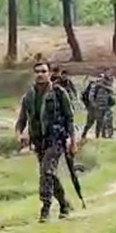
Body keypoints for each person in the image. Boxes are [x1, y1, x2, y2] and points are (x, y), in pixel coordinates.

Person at [15, 61, 76, 222]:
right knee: (50, 174)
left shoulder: (59, 93)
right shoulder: (29, 95)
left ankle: (46, 207)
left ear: (49, 73)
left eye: (43, 71)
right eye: (37, 72)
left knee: (47, 171)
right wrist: (19, 135)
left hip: (56, 140)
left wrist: (73, 141)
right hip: (39, 141)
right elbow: (22, 119)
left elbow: (70, 118)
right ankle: (64, 204)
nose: (40, 74)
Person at [80, 69, 116, 140]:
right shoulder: (96, 85)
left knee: (105, 120)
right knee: (91, 121)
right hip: (96, 106)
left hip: (106, 105)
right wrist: (93, 104)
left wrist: (103, 85)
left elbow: (112, 90)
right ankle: (85, 133)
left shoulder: (108, 83)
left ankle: (103, 135)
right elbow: (91, 95)